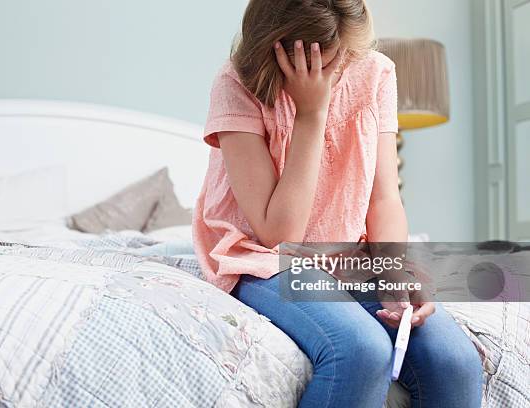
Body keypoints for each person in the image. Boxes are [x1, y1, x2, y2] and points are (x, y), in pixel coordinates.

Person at [192, 0, 483, 406]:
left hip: (350, 256)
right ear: (280, 52)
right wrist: (312, 114)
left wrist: (393, 270)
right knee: (363, 350)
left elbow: (384, 198)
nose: (344, 68)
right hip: (266, 257)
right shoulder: (236, 83)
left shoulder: (377, 72)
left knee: (456, 363)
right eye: (331, 61)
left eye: (350, 55)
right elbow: (278, 233)